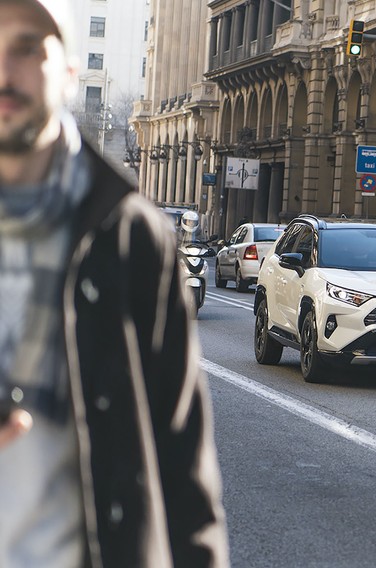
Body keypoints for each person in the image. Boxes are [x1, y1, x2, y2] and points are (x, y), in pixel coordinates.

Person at [0, 2, 229, 566]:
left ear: (71, 69)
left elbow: (184, 471)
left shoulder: (131, 233)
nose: (4, 72)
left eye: (27, 46)